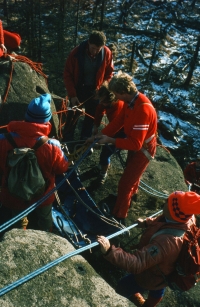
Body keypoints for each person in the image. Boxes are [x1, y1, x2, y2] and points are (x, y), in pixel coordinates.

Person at [97, 190, 200, 307]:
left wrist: (110, 251)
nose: (164, 202)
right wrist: (147, 222)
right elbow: (164, 221)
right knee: (159, 286)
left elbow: (138, 262)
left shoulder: (165, 243)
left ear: (173, 212)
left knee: (123, 287)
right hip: (164, 270)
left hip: (149, 275)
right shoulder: (187, 218)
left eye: (168, 202)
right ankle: (151, 302)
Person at [87, 72, 157, 224]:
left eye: (116, 94)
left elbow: (136, 144)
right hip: (138, 144)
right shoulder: (131, 102)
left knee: (125, 183)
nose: (116, 98)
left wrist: (111, 140)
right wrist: (100, 135)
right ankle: (133, 193)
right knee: (131, 175)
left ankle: (120, 216)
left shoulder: (142, 110)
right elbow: (119, 122)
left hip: (143, 149)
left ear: (123, 92)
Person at [0, 93, 69, 231]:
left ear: (26, 115)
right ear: (47, 120)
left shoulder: (3, 139)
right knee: (45, 219)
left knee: (16, 220)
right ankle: (45, 235)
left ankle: (20, 232)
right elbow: (62, 168)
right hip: (42, 196)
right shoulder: (53, 145)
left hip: (13, 193)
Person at [63, 30, 114, 141]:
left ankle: (84, 140)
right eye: (93, 48)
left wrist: (102, 89)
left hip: (95, 91)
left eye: (98, 49)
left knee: (91, 117)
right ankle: (67, 139)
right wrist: (72, 95)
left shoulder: (107, 53)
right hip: (78, 89)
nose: (95, 51)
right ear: (88, 43)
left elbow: (109, 73)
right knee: (73, 115)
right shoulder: (76, 53)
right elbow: (67, 74)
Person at [93, 82, 125, 184]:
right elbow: (99, 110)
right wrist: (95, 126)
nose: (101, 103)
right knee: (104, 151)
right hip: (113, 128)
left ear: (111, 99)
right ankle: (103, 164)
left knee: (105, 154)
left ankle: (103, 173)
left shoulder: (117, 109)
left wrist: (100, 139)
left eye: (103, 102)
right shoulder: (104, 101)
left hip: (121, 132)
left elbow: (114, 129)